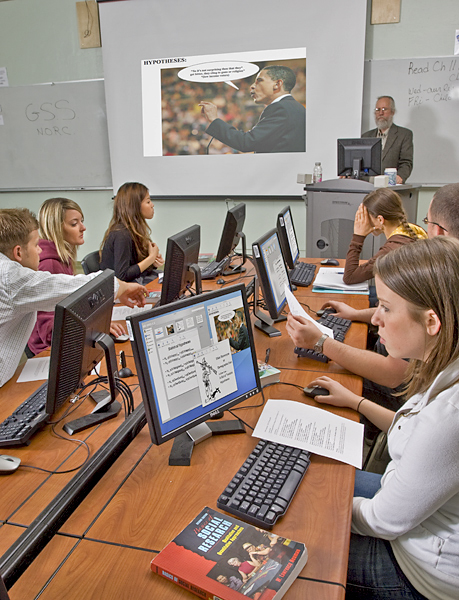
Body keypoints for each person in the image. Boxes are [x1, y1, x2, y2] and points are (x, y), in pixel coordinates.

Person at [306, 237, 459, 599]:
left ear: (431, 321)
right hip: (406, 508)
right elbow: (416, 435)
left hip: (417, 570)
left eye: (386, 308)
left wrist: (314, 510)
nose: (375, 318)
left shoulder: (449, 416)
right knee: (311, 475)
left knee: (294, 535)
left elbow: (382, 521)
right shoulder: (443, 361)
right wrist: (356, 402)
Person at [286, 183, 459, 426]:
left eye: (428, 221)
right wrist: (357, 314)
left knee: (305, 387)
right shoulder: (436, 263)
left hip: (403, 397)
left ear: (439, 232)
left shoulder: (425, 270)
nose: (378, 319)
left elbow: (396, 372)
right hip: (409, 410)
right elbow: (406, 312)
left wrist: (320, 342)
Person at [0, 208, 146, 388]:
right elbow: (73, 288)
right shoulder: (9, 277)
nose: (40, 250)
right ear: (18, 253)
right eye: (36, 244)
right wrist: (120, 287)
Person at [27, 198, 125, 357]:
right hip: (47, 353)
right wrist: (95, 329)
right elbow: (50, 332)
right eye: (74, 224)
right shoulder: (49, 265)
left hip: (68, 340)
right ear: (56, 229)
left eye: (82, 221)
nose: (83, 228)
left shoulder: (61, 258)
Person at [199, 66, 305, 153]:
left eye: (259, 81)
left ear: (277, 84)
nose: (252, 86)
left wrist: (214, 120)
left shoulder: (280, 108)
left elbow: (246, 143)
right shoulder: (297, 108)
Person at [343, 187, 427, 285]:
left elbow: (350, 277)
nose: (364, 222)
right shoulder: (415, 230)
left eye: (367, 217)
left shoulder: (392, 250)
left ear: (380, 220)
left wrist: (358, 236)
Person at [100, 182, 164, 283]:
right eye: (148, 202)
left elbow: (135, 266)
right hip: (123, 289)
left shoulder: (134, 230)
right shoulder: (121, 234)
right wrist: (151, 258)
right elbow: (122, 276)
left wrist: (152, 263)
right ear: (135, 207)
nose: (152, 205)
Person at [362, 95, 413, 184]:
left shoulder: (404, 135)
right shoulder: (366, 136)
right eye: (377, 110)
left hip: (390, 187)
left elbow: (406, 162)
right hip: (368, 186)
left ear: (392, 112)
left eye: (384, 109)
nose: (380, 113)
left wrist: (400, 176)